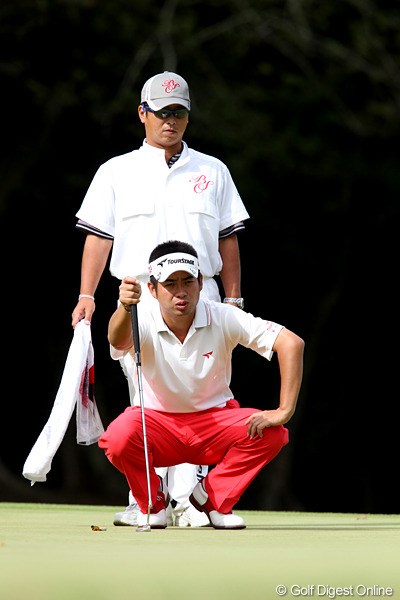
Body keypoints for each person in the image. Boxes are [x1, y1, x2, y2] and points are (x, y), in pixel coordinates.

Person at [71, 71, 250, 527]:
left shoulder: (212, 170)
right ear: (142, 113)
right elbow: (99, 237)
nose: (170, 120)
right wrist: (87, 294)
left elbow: (228, 238)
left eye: (178, 112)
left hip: (202, 298)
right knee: (145, 395)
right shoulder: (116, 171)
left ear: (188, 116)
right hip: (139, 300)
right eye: (161, 112)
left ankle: (192, 501)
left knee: (204, 395)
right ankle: (147, 500)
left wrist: (234, 300)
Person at [99, 240, 304, 529]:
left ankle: (211, 498)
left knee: (272, 432)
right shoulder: (139, 315)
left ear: (200, 283)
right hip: (156, 425)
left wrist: (284, 410)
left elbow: (291, 343)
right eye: (170, 284)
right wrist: (124, 307)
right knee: (118, 436)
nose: (180, 291)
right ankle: (153, 502)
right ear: (152, 290)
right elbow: (117, 341)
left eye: (187, 281)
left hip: (214, 424)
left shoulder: (222, 315)